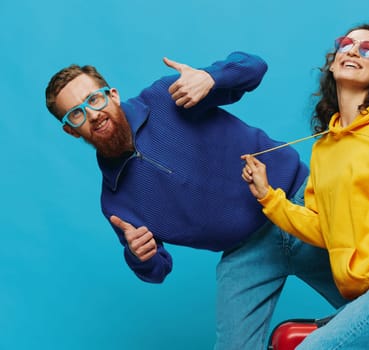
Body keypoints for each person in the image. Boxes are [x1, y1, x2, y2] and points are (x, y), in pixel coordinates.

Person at [45, 52, 348, 350]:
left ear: (112, 94)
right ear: (71, 130)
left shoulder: (165, 97)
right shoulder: (115, 202)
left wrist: (211, 78)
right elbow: (158, 269)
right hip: (245, 252)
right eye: (77, 113)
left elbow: (255, 67)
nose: (93, 114)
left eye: (94, 99)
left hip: (299, 201)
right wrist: (141, 256)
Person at [241, 23, 369, 349]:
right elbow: (325, 229)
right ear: (333, 62)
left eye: (368, 48)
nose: (353, 50)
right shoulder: (324, 148)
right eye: (346, 44)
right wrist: (270, 198)